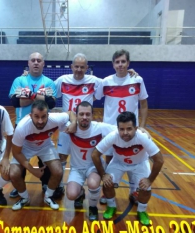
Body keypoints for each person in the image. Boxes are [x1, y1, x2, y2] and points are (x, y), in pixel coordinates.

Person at [92, 111, 164, 226]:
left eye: (129, 129)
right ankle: (111, 206)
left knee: (146, 187)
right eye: (122, 129)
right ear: (118, 128)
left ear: (136, 128)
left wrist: (149, 180)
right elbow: (95, 154)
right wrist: (103, 174)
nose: (125, 133)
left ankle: (141, 210)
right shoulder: (113, 136)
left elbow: (159, 160)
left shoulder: (142, 137)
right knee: (107, 182)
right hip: (118, 162)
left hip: (140, 163)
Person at [99, 49, 149, 204]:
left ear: (128, 63)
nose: (120, 65)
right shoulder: (105, 81)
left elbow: (144, 104)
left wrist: (141, 126)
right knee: (109, 158)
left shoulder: (137, 80)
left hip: (129, 129)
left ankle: (134, 191)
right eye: (117, 62)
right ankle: (107, 192)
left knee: (132, 158)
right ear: (113, 64)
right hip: (110, 128)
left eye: (123, 61)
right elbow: (93, 96)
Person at [10, 100, 76, 211]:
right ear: (31, 115)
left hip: (45, 145)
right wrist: (32, 170)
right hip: (26, 147)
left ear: (48, 115)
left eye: (43, 116)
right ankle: (24, 198)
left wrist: (74, 123)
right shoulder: (22, 127)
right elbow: (16, 152)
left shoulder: (55, 118)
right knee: (14, 173)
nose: (40, 121)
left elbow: (70, 113)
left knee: (58, 171)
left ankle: (48, 196)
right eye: (36, 116)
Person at [8, 52, 57, 199]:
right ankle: (19, 186)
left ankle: (45, 183)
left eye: (39, 60)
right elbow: (16, 102)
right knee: (20, 157)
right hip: (22, 126)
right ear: (28, 63)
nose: (36, 63)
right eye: (33, 60)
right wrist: (40, 96)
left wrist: (28, 94)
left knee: (46, 156)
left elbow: (51, 103)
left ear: (43, 64)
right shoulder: (19, 80)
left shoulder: (49, 82)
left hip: (43, 125)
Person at [55, 53, 103, 194]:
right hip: (66, 126)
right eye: (76, 66)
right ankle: (59, 186)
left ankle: (81, 186)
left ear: (87, 68)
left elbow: (113, 81)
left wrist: (131, 74)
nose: (79, 69)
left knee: (85, 158)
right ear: (71, 67)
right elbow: (50, 91)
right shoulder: (62, 80)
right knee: (62, 157)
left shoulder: (94, 81)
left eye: (82, 67)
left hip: (85, 128)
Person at [66, 101, 116, 221]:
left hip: (93, 167)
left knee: (93, 184)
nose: (84, 117)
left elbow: (120, 129)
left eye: (88, 114)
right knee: (71, 195)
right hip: (76, 168)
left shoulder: (99, 127)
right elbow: (63, 114)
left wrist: (140, 130)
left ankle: (93, 207)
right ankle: (80, 193)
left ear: (92, 115)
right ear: (76, 115)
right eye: (81, 114)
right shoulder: (70, 127)